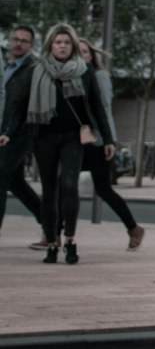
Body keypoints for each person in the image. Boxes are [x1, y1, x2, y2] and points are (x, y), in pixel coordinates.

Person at [0, 22, 116, 264]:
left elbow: (97, 107)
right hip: (44, 138)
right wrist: (8, 132)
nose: (62, 46)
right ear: (50, 45)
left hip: (73, 137)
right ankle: (52, 243)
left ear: (71, 46)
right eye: (58, 42)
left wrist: (108, 139)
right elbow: (20, 105)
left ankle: (71, 240)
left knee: (69, 185)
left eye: (66, 43)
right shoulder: (38, 70)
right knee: (50, 191)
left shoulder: (83, 71)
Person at [76, 40, 145, 249]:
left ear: (92, 56)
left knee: (103, 188)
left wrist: (109, 140)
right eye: (77, 52)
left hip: (97, 141)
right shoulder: (71, 77)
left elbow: (104, 109)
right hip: (76, 139)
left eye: (85, 52)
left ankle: (133, 227)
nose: (82, 55)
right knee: (66, 185)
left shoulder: (99, 76)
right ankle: (55, 234)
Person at [0, 25, 45, 235]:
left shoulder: (33, 68)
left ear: (31, 45)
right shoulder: (6, 66)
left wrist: (10, 130)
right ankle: (51, 224)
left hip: (20, 132)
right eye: (15, 39)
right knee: (16, 183)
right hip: (4, 131)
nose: (18, 43)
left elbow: (23, 104)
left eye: (24, 40)